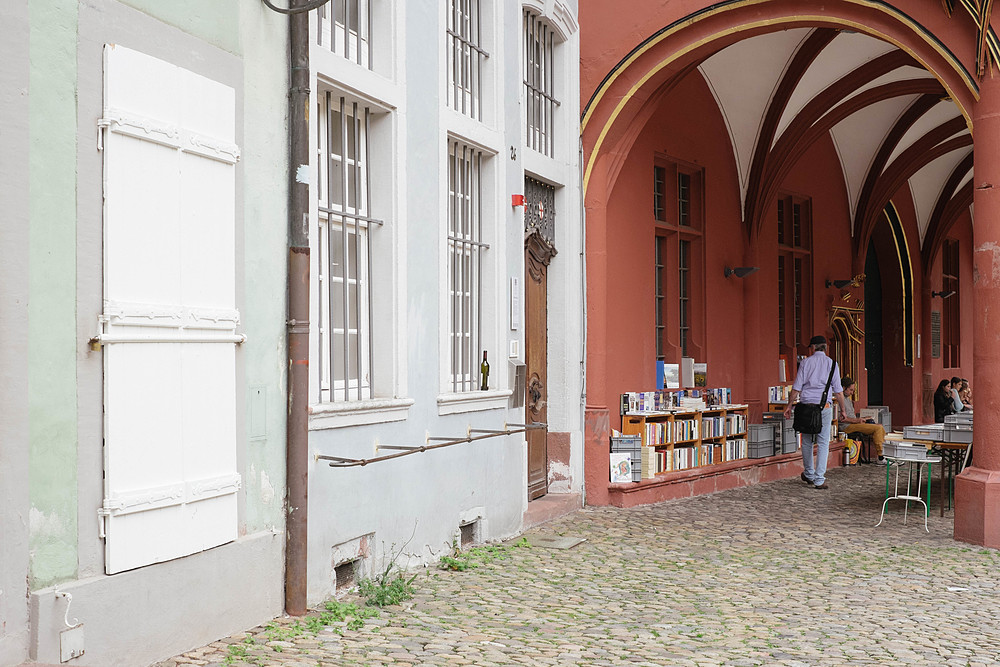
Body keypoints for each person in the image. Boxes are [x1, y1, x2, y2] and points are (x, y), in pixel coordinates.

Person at [783, 335, 847, 489]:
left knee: (807, 440)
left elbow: (796, 388)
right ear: (825, 348)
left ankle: (809, 473)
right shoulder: (832, 364)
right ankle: (819, 479)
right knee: (823, 442)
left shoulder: (805, 363)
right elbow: (838, 392)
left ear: (812, 348)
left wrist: (789, 406)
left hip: (806, 407)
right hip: (824, 407)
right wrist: (843, 410)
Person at [839, 377, 888, 465]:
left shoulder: (848, 399)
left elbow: (851, 415)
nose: (852, 393)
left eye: (853, 390)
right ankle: (880, 457)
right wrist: (857, 420)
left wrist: (864, 418)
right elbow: (841, 419)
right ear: (843, 387)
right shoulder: (839, 399)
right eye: (850, 390)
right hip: (846, 426)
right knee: (878, 428)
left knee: (880, 427)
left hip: (854, 423)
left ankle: (884, 454)